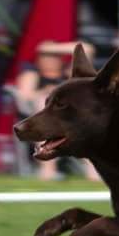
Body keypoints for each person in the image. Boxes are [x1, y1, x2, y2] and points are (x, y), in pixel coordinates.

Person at [15, 40, 98, 181]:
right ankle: (48, 169)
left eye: (54, 56)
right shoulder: (32, 73)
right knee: (43, 102)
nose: (50, 60)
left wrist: (50, 48)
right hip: (38, 117)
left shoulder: (68, 74)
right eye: (46, 56)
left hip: (70, 119)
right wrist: (46, 93)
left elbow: (87, 49)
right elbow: (24, 97)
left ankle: (94, 172)